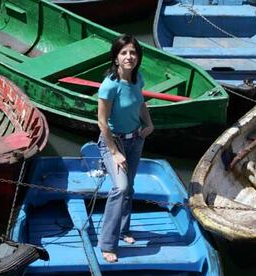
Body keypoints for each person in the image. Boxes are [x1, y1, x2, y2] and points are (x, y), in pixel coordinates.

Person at [97, 34, 154, 263]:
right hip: (113, 142)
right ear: (116, 58)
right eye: (124, 53)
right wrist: (114, 152)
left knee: (129, 187)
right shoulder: (110, 85)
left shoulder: (137, 79)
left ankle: (123, 230)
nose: (129, 57)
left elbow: (140, 103)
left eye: (133, 52)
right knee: (120, 188)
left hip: (135, 139)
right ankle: (107, 244)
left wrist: (149, 124)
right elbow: (102, 122)